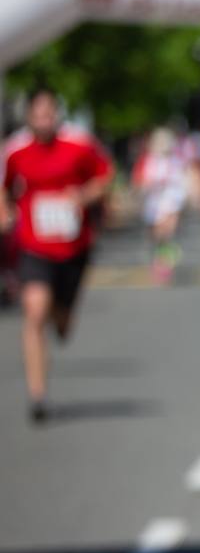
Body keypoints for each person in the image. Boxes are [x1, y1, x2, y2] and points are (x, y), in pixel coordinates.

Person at [0, 88, 114, 422]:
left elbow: (105, 176)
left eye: (49, 113)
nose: (44, 120)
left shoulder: (79, 143)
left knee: (61, 323)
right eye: (38, 114)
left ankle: (61, 312)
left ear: (57, 114)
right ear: (29, 116)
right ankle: (38, 397)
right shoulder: (15, 150)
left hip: (74, 247)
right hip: (34, 246)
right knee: (34, 311)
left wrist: (82, 195)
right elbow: (4, 189)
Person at [132, 126, 189, 283]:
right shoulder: (148, 160)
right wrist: (147, 185)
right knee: (157, 236)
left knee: (167, 232)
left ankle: (164, 264)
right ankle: (162, 257)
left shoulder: (176, 161)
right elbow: (139, 181)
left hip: (171, 202)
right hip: (153, 204)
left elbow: (183, 181)